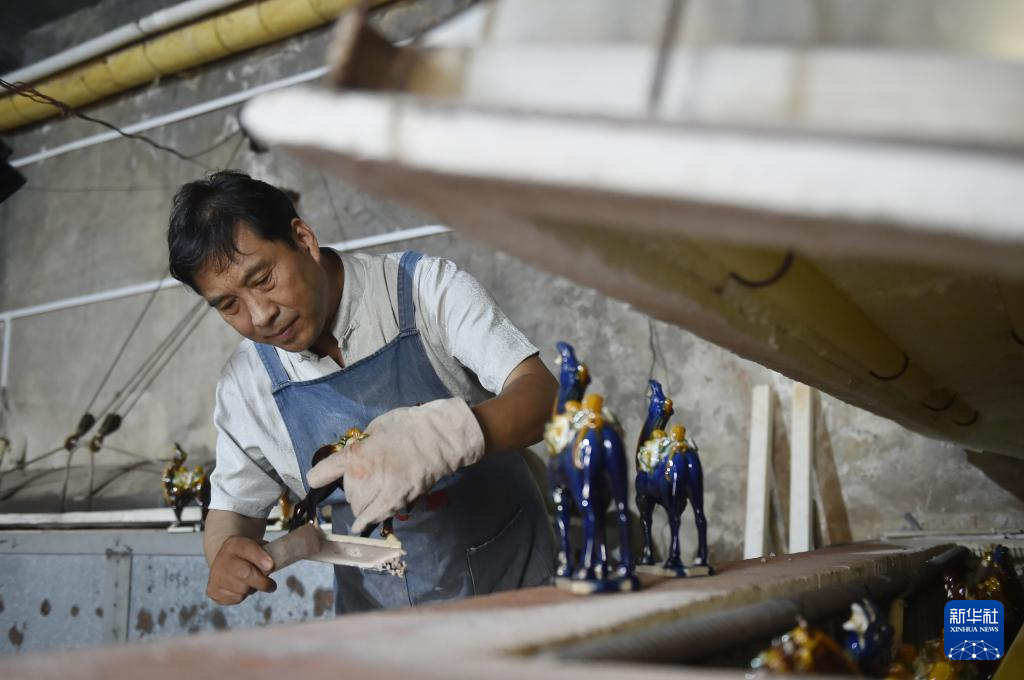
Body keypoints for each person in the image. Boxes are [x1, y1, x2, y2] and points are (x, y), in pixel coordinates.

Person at [167, 170, 555, 614]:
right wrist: (227, 552)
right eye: (229, 305)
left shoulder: (423, 290)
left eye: (263, 279)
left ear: (303, 240)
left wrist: (446, 436)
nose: (260, 315)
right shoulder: (247, 384)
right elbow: (234, 509)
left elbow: (543, 397)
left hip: (512, 594)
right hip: (378, 623)